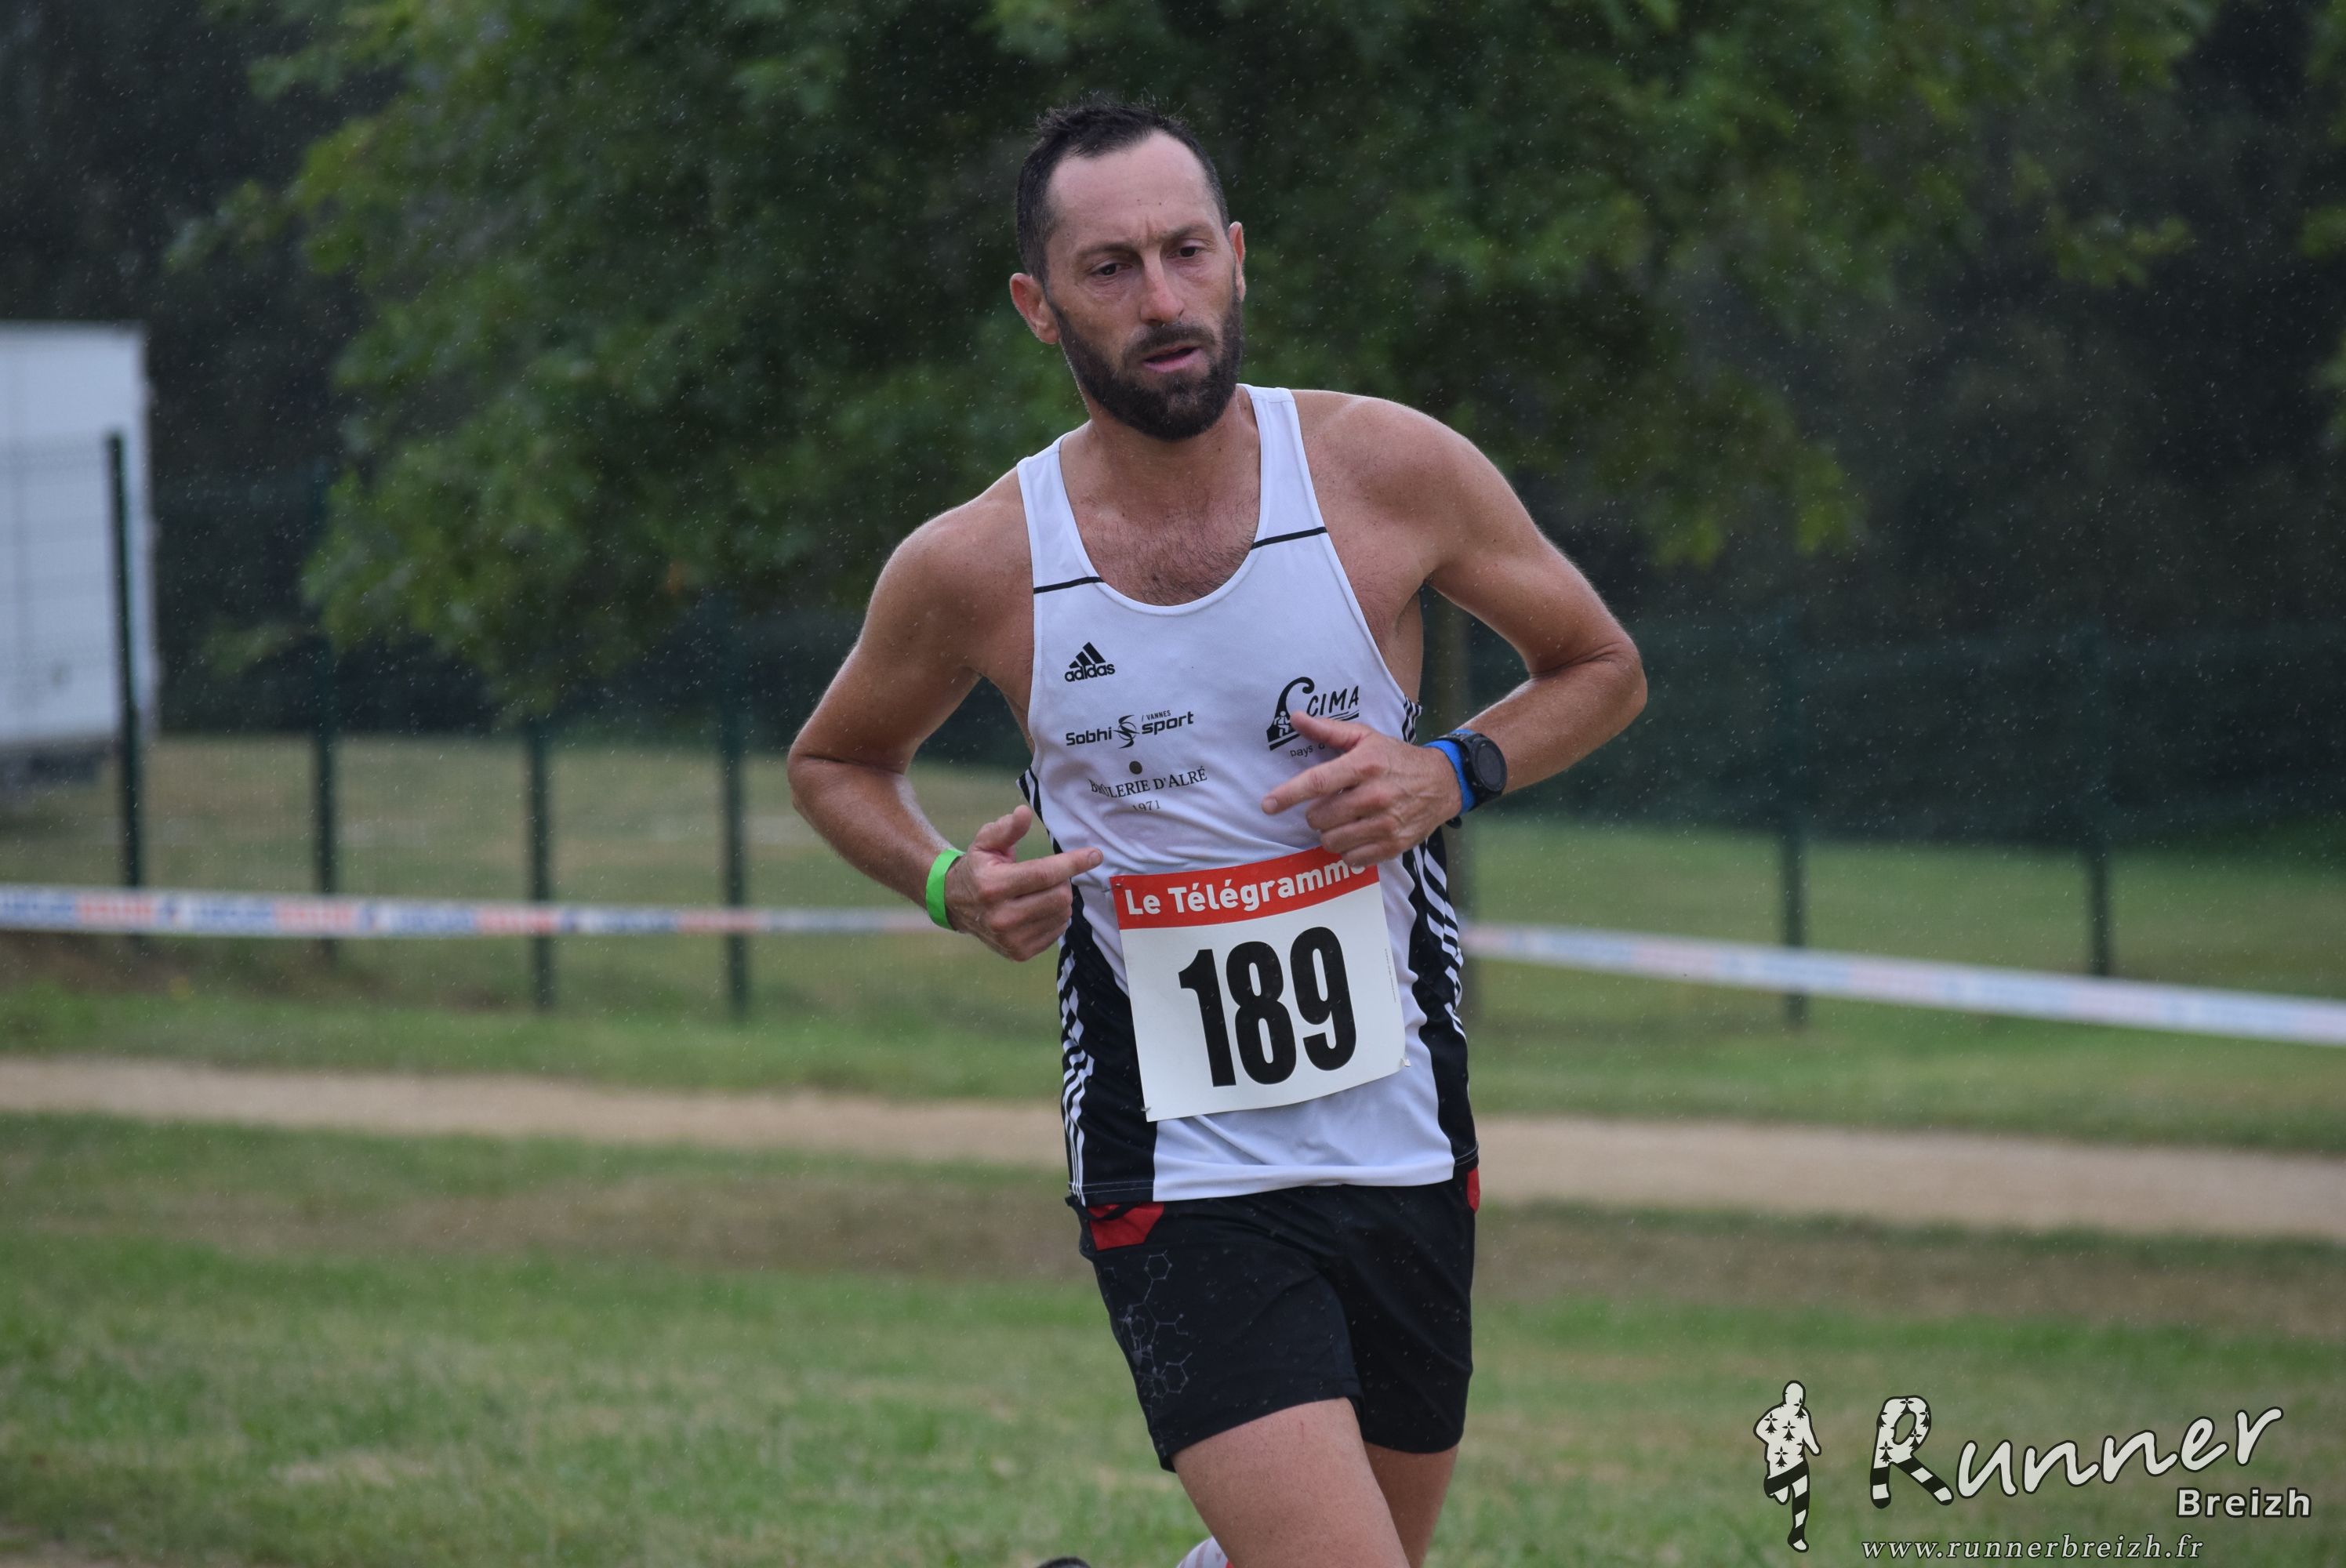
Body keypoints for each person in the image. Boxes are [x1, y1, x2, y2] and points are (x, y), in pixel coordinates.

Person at [786, 100, 1646, 1568]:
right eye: (1110, 268)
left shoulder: (1388, 471)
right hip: (1177, 1166)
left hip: (1402, 1132)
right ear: (1039, 307)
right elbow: (836, 760)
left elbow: (1600, 665)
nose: (1163, 298)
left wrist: (1451, 771)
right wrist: (946, 882)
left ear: (1238, 256)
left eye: (1187, 251)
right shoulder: (980, 561)